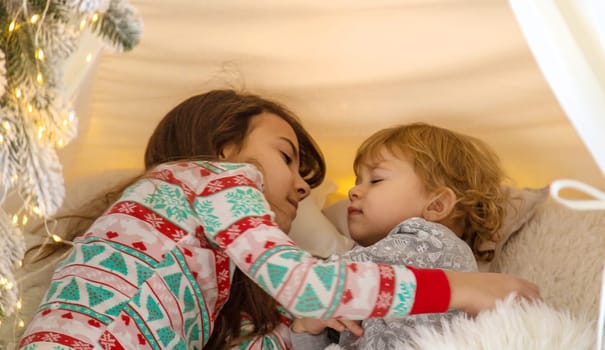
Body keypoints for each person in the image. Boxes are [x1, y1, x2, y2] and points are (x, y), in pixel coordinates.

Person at [18, 90, 539, 350]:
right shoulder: (212, 178)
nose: (304, 186)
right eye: (288, 157)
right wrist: (462, 289)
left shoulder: (205, 264)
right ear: (226, 149)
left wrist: (301, 328)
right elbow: (311, 287)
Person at [289, 123, 513, 349]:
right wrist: (307, 328)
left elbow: (326, 279)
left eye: (375, 180)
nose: (353, 191)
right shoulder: (377, 267)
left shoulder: (431, 240)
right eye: (358, 181)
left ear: (436, 205)